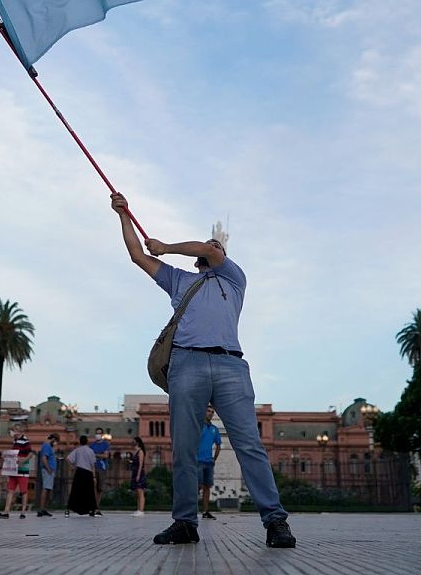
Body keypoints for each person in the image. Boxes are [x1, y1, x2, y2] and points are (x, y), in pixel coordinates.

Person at [113, 193, 296, 549]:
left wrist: (165, 246)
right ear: (197, 259)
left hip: (230, 364)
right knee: (182, 448)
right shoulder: (180, 280)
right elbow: (137, 255)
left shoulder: (233, 278)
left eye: (214, 246)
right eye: (208, 246)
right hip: (187, 362)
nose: (213, 247)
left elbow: (208, 252)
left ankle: (275, 520)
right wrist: (123, 215)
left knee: (249, 444)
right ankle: (184, 523)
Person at [0, 433, 33, 519]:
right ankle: (6, 512)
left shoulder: (25, 440)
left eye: (12, 430)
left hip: (23, 470)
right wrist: (6, 456)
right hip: (13, 470)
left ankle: (23, 512)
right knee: (10, 490)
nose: (11, 433)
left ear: (18, 431)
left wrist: (23, 461)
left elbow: (30, 454)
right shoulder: (15, 441)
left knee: (24, 491)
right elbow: (13, 455)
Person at [197, 406, 222, 519]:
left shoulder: (214, 429)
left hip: (208, 462)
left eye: (212, 412)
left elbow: (218, 445)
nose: (210, 413)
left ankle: (205, 511)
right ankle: (191, 510)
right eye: (208, 411)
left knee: (207, 486)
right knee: (197, 486)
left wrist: (214, 459)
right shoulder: (198, 426)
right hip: (197, 461)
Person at [66, 435, 98, 516]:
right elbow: (93, 465)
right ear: (87, 441)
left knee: (76, 491)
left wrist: (72, 467)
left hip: (79, 472)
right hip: (88, 472)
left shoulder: (77, 450)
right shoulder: (91, 451)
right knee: (88, 492)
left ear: (80, 442)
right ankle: (91, 509)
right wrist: (94, 476)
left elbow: (68, 458)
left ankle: (71, 508)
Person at [89, 431, 111, 516]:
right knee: (93, 488)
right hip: (93, 468)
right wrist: (100, 454)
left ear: (102, 435)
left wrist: (96, 455)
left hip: (102, 468)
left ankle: (96, 507)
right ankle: (93, 507)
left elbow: (106, 456)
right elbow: (90, 456)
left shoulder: (105, 444)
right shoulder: (92, 445)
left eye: (99, 433)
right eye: (96, 433)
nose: (97, 434)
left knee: (100, 488)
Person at [37, 434, 59, 517]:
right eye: (56, 441)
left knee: (48, 489)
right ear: (53, 439)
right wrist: (49, 469)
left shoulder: (49, 447)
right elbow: (44, 458)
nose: (56, 443)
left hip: (50, 470)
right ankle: (41, 509)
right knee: (45, 488)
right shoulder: (46, 446)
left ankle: (44, 509)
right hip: (47, 470)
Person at [130, 437, 149, 516]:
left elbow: (141, 464)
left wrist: (138, 474)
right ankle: (138, 509)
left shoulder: (140, 451)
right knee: (137, 492)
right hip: (135, 472)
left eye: (133, 441)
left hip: (139, 473)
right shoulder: (136, 451)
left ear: (137, 442)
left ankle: (141, 510)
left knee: (140, 492)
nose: (132, 443)